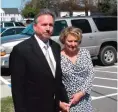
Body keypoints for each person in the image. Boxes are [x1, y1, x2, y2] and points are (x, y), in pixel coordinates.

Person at [9, 9, 69, 112]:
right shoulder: (21, 50)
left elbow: (56, 79)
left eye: (51, 25)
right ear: (34, 27)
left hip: (56, 107)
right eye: (44, 25)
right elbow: (17, 89)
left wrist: (64, 101)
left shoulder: (56, 47)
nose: (48, 28)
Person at [59, 26, 94, 112]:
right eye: (70, 41)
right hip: (68, 102)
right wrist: (58, 102)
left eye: (76, 41)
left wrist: (81, 93)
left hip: (84, 99)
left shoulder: (85, 53)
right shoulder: (58, 57)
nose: (73, 44)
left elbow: (91, 74)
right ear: (63, 40)